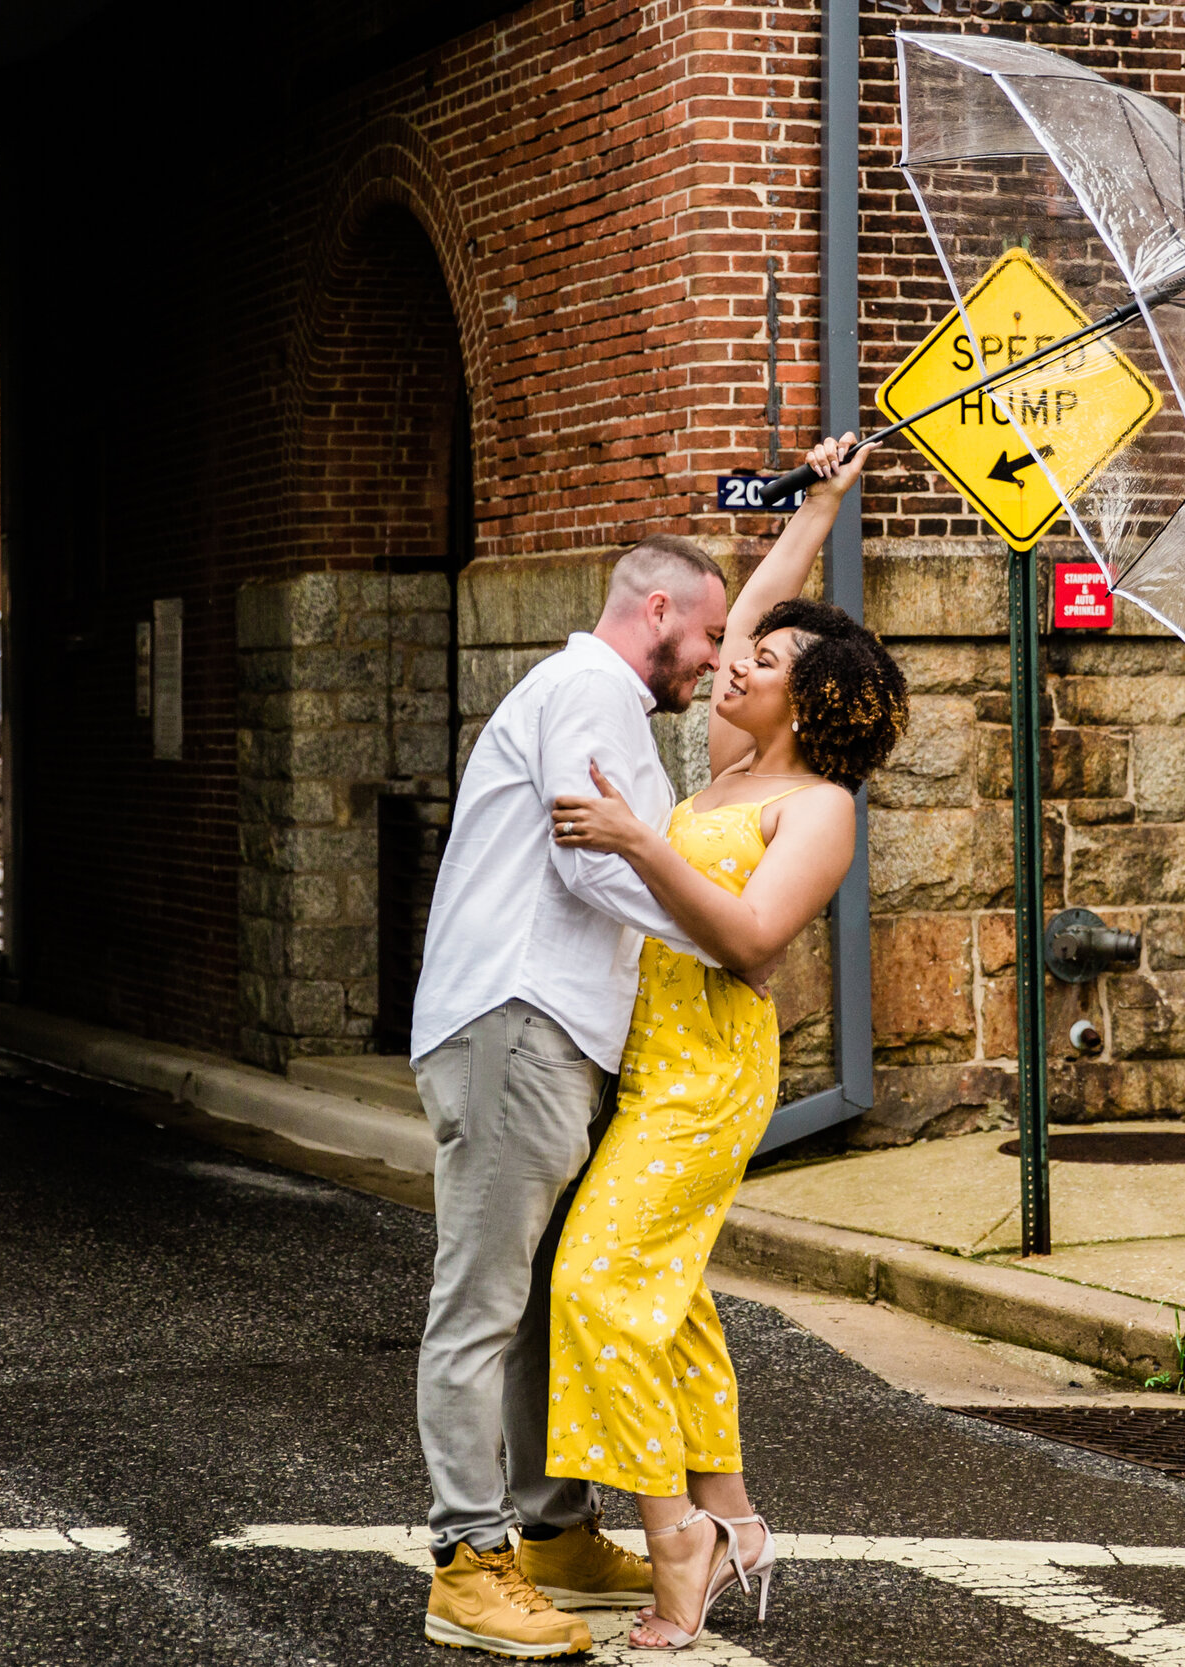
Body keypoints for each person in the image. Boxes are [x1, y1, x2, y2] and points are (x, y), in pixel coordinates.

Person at [542, 433, 907, 1650]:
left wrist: (642, 844)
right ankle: (738, 1515)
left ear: (808, 698)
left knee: (600, 1281)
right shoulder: (731, 763)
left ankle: (675, 1535)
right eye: (738, 653)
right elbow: (753, 601)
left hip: (708, 1078)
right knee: (671, 1290)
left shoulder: (819, 809)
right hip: (645, 1061)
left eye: (764, 660)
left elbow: (752, 943)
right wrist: (820, 502)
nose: (733, 658)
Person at [406, 531, 733, 1657]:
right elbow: (593, 857)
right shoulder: (590, 688)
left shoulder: (600, 697)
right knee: (483, 1302)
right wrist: (721, 933)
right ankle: (467, 1558)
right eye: (708, 635)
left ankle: (548, 1532)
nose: (712, 660)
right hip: (516, 1021)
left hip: (547, 1028)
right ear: (655, 609)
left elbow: (609, 855)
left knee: (545, 1292)